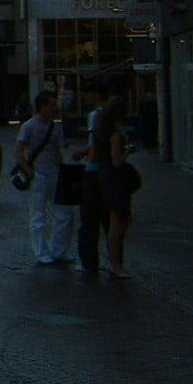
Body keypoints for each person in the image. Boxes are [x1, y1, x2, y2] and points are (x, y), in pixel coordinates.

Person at [15, 91, 73, 266]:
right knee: (39, 215)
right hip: (38, 175)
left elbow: (57, 152)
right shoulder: (29, 126)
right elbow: (19, 150)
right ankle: (42, 252)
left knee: (64, 215)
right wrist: (29, 171)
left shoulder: (55, 127)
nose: (55, 108)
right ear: (42, 106)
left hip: (54, 174)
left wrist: (61, 169)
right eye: (52, 104)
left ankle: (58, 250)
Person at [96, 93, 134, 278]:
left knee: (117, 220)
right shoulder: (115, 135)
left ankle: (113, 260)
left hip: (106, 178)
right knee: (118, 221)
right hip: (116, 181)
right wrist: (127, 152)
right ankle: (115, 263)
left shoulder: (102, 131)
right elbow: (117, 162)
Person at [75, 79, 109, 274]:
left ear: (95, 94)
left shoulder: (95, 115)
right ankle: (114, 259)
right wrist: (85, 151)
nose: (85, 98)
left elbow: (95, 143)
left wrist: (90, 154)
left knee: (89, 220)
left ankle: (89, 261)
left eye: (87, 94)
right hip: (107, 170)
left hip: (93, 171)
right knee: (108, 218)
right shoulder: (109, 113)